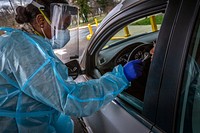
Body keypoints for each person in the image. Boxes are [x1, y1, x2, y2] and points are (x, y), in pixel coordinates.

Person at [0, 0, 143, 132]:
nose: (65, 32)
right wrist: (120, 77)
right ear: (41, 20)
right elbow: (72, 99)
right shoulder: (24, 51)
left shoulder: (25, 43)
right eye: (63, 26)